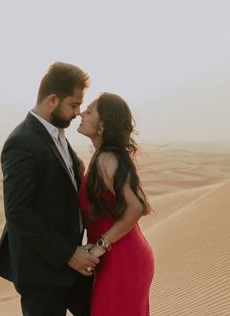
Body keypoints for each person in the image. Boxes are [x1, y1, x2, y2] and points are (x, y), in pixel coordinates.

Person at [0, 62, 99, 316]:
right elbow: (18, 212)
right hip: (41, 272)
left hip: (71, 266)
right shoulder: (22, 141)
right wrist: (68, 255)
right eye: (74, 105)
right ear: (53, 100)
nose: (78, 113)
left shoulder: (58, 136)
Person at [77, 92, 154, 316]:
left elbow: (137, 206)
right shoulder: (106, 156)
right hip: (120, 258)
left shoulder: (106, 158)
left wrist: (101, 244)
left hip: (121, 260)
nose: (82, 113)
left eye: (89, 111)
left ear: (103, 125)